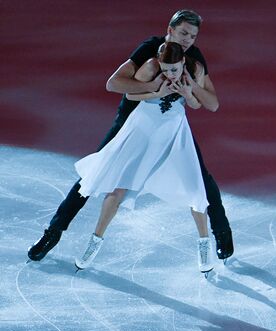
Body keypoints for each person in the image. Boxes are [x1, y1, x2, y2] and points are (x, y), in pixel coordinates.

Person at [27, 9, 234, 262]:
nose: (188, 40)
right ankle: (53, 232)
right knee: (97, 173)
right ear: (170, 31)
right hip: (132, 120)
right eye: (183, 33)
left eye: (192, 35)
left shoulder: (194, 59)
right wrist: (153, 89)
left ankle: (221, 232)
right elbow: (114, 83)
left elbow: (211, 103)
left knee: (200, 177)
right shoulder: (150, 50)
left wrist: (190, 89)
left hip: (168, 125)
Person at [73, 42, 213, 273]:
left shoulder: (194, 69)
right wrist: (156, 91)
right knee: (119, 186)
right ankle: (95, 241)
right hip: (142, 127)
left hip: (174, 130)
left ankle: (204, 244)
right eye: (166, 69)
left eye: (174, 69)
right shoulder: (150, 66)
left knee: (195, 187)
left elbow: (197, 105)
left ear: (182, 62)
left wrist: (188, 93)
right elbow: (130, 93)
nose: (170, 73)